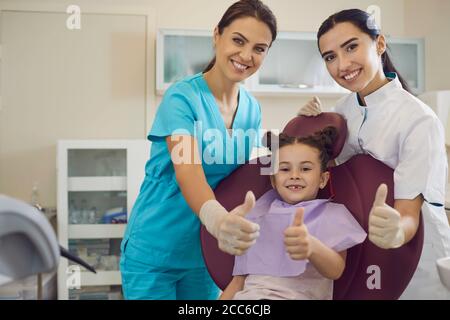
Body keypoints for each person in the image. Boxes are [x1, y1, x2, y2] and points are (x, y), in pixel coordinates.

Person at [119, 0, 277, 300]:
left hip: (206, 254)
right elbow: (187, 168)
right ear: (217, 35)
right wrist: (218, 219)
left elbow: (251, 172)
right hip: (155, 252)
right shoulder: (182, 98)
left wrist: (304, 127)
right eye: (238, 41)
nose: (246, 55)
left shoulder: (252, 110)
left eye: (259, 48)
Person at [298, 9, 450, 299]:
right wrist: (304, 127)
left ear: (379, 44)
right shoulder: (340, 113)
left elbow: (408, 215)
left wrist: (397, 230)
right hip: (364, 253)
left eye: (351, 47)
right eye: (330, 57)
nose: (342, 64)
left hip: (418, 263)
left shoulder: (418, 120)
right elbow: (310, 174)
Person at [219, 128, 367, 300]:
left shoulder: (333, 215)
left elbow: (336, 270)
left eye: (305, 168)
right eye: (285, 169)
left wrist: (311, 246)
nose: (294, 175)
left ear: (322, 179)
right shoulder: (256, 216)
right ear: (273, 180)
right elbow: (238, 282)